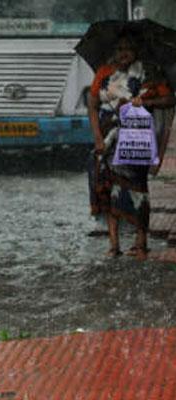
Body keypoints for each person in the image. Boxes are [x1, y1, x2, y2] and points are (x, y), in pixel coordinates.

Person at [88, 31, 175, 260]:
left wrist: (145, 101)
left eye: (127, 48)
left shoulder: (149, 72)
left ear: (136, 51)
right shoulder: (104, 73)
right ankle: (114, 244)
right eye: (119, 49)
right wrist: (98, 138)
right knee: (107, 186)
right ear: (113, 52)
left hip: (136, 135)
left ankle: (140, 241)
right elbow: (92, 106)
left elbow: (169, 99)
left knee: (137, 187)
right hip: (108, 136)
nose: (123, 53)